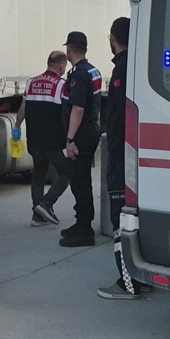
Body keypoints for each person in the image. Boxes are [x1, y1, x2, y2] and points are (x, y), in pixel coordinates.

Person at [96, 17, 151, 299]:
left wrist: (114, 153)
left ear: (113, 38)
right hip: (139, 156)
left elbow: (117, 118)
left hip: (122, 159)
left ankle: (128, 283)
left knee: (120, 222)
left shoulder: (121, 69)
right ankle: (143, 274)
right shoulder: (140, 65)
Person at [13, 51, 72, 227]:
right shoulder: (62, 84)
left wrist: (16, 128)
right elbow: (67, 113)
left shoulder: (31, 83)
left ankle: (37, 217)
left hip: (34, 140)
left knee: (38, 175)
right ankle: (46, 204)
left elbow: (22, 109)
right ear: (62, 67)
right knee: (67, 172)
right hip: (53, 141)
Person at [58, 31, 103, 247]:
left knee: (80, 183)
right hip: (89, 132)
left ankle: (84, 231)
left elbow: (77, 109)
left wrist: (69, 139)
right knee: (81, 181)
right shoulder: (91, 70)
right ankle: (81, 223)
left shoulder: (79, 74)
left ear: (69, 49)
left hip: (80, 136)